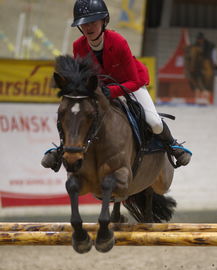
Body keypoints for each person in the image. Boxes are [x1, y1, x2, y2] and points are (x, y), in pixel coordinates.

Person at [42, 0, 192, 171]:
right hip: (101, 89)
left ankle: (173, 146)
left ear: (104, 21)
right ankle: (62, 150)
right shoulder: (78, 46)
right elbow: (83, 77)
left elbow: (134, 81)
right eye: (83, 24)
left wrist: (109, 91)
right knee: (76, 115)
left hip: (130, 85)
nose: (88, 28)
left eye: (92, 22)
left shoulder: (118, 41)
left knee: (154, 122)